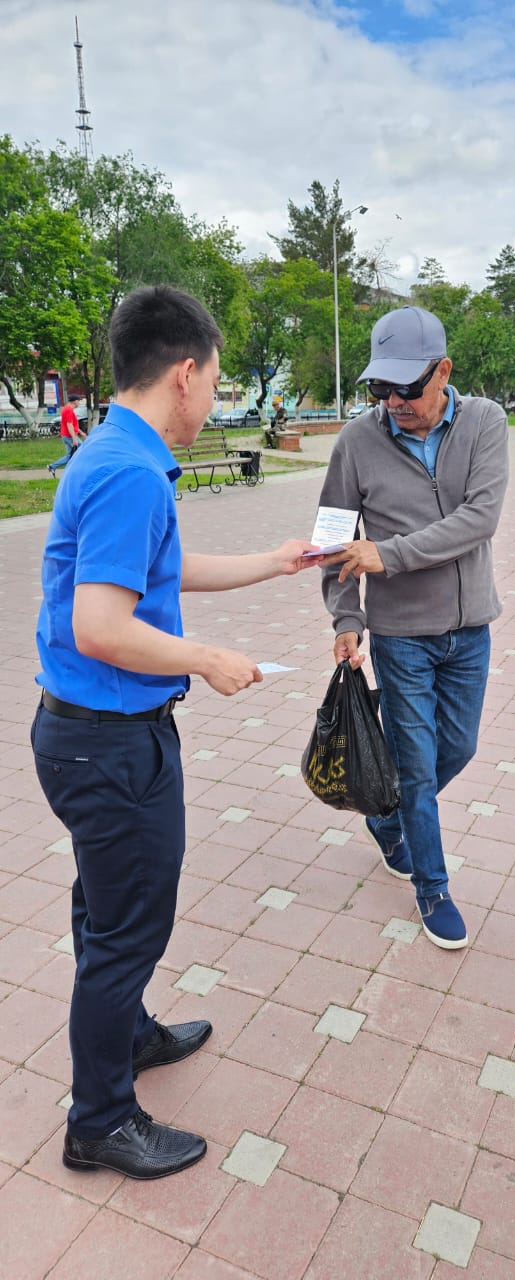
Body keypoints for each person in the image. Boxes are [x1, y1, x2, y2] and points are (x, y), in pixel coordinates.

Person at [32, 284, 315, 1180]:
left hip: (90, 737)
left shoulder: (117, 452)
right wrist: (205, 659)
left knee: (107, 912)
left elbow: (160, 566)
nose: (215, 396)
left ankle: (130, 1037)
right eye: (218, 380)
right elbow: (101, 626)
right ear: (185, 374)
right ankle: (99, 1121)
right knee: (126, 931)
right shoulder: (127, 471)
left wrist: (271, 562)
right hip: (111, 745)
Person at [317, 306, 509, 950]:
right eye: (381, 387)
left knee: (459, 747)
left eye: (407, 386)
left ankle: (386, 815)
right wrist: (347, 617)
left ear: (443, 372)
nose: (394, 401)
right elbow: (333, 541)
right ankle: (432, 887)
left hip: (470, 628)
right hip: (400, 636)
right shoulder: (356, 442)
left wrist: (389, 554)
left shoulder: (485, 422)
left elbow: (479, 519)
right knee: (420, 769)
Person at [48, 394, 86, 475]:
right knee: (83, 449)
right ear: (75, 401)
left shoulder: (67, 409)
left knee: (69, 456)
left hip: (67, 436)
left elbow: (72, 424)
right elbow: (69, 424)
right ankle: (80, 470)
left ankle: (52, 467)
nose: (79, 403)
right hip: (69, 436)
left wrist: (80, 432)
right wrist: (74, 438)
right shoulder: (68, 410)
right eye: (79, 401)